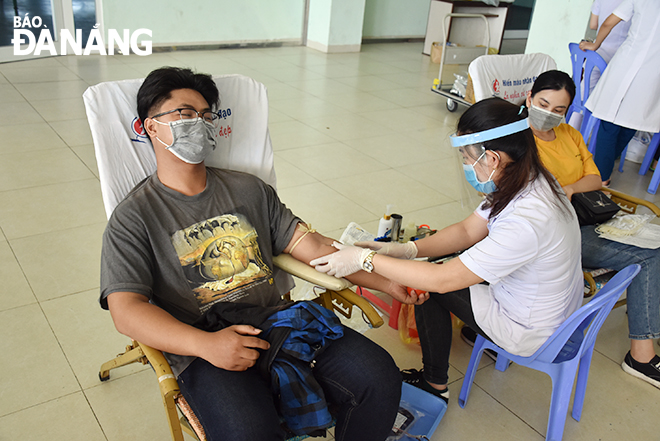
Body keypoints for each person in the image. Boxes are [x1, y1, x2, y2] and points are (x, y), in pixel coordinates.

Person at [100, 67, 416, 441]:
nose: (198, 124)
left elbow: (315, 248)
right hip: (201, 342)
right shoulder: (133, 217)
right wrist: (207, 345)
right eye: (184, 114)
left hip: (278, 320)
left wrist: (387, 282)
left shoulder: (249, 190)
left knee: (378, 377)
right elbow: (126, 309)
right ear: (150, 127)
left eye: (205, 116)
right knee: (248, 432)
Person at [310, 98, 584, 402]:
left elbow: (441, 280)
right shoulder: (530, 177)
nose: (466, 165)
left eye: (467, 158)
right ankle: (436, 375)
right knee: (431, 268)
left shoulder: (527, 219)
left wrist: (365, 259)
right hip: (549, 305)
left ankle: (435, 384)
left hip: (531, 329)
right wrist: (406, 250)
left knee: (428, 287)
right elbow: (468, 230)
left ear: (491, 158)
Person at [525, 69, 660, 388]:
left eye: (558, 110)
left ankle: (646, 315)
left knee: (654, 246)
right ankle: (641, 357)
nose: (548, 115)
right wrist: (575, 188)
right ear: (529, 98)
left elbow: (595, 180)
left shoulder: (569, 135)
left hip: (590, 216)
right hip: (560, 234)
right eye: (543, 104)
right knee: (649, 258)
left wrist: (570, 190)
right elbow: (539, 193)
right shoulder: (520, 141)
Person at [580, 0, 660, 185]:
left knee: (610, 122)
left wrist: (596, 45)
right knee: (632, 121)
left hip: (626, 64)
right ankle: (603, 167)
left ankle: (601, 177)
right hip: (653, 74)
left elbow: (608, 22)